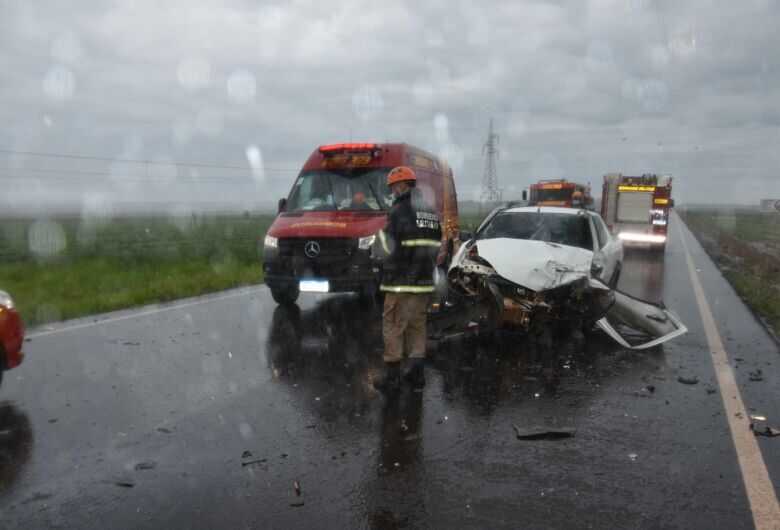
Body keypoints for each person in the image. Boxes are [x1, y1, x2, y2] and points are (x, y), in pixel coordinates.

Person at [374, 166, 442, 394]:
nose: (392, 191)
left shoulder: (399, 211)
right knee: (416, 327)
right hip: (423, 282)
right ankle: (416, 375)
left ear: (402, 185)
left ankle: (392, 378)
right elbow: (436, 243)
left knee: (393, 326)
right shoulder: (430, 212)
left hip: (399, 282)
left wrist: (378, 244)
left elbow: (386, 247)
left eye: (393, 186)